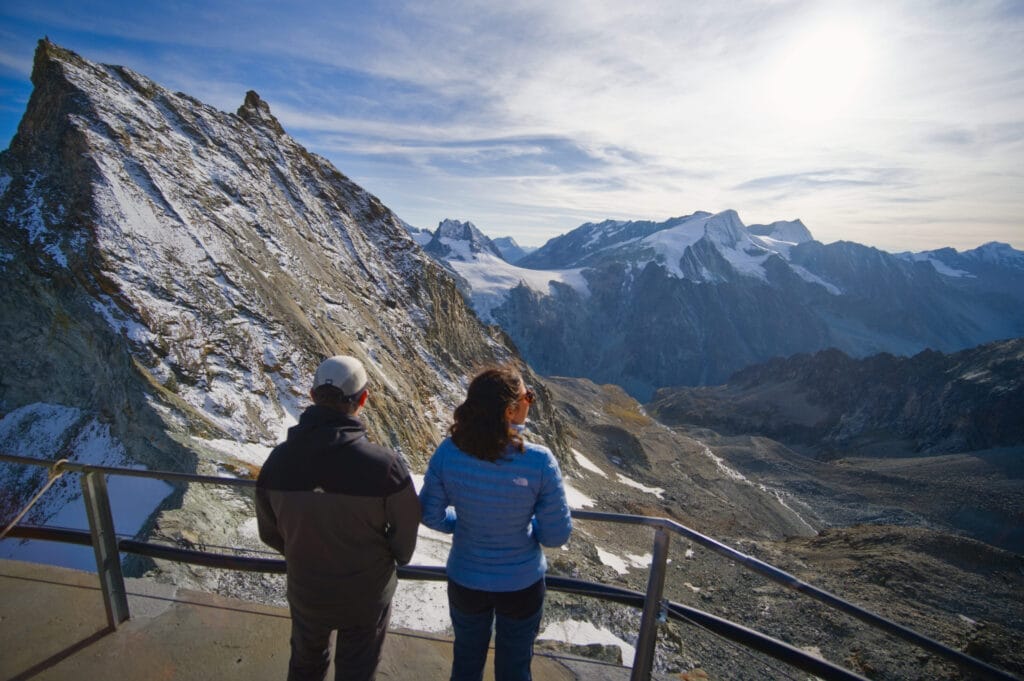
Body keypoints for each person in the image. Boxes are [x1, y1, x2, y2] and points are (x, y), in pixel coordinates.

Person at [256, 355, 421, 681]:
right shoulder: (385, 466)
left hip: (307, 590)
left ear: (312, 395)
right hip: (366, 595)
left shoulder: (278, 462)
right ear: (363, 399)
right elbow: (406, 533)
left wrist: (301, 553)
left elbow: (269, 531)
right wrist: (393, 558)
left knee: (305, 665)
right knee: (358, 671)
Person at [420, 365, 572, 681]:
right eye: (528, 397)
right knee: (514, 669)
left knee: (465, 664)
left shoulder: (449, 452)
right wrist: (525, 529)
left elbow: (430, 514)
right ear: (510, 410)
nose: (531, 402)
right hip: (521, 584)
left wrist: (462, 524)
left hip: (466, 578)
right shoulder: (539, 461)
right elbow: (556, 536)